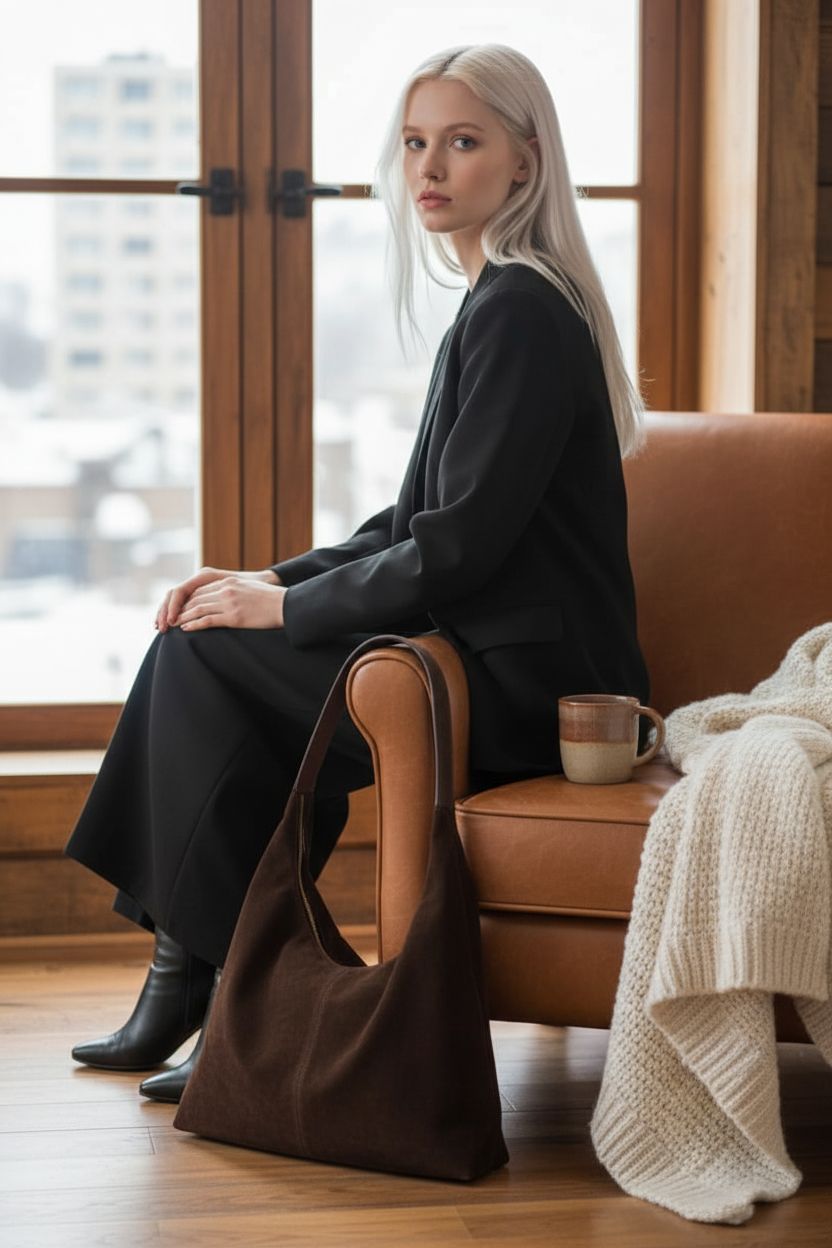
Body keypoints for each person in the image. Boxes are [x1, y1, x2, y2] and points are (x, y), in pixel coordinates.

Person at [65, 42, 651, 1104]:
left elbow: (457, 547)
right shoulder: (496, 300)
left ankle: (218, 979)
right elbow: (408, 520)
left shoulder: (519, 308)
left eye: (462, 143)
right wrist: (257, 580)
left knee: (205, 668)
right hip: (478, 647)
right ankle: (204, 973)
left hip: (527, 689)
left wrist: (279, 606)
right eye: (416, 143)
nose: (430, 167)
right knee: (199, 643)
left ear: (523, 161)